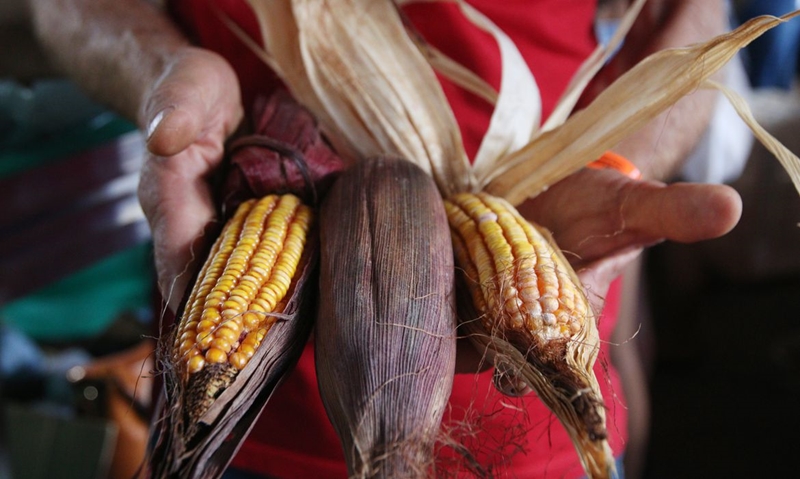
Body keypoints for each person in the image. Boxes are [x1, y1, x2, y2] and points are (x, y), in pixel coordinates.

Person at [29, 1, 742, 477]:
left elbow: (693, 14)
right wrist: (162, 77)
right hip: (235, 429)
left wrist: (619, 161)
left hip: (534, 413)